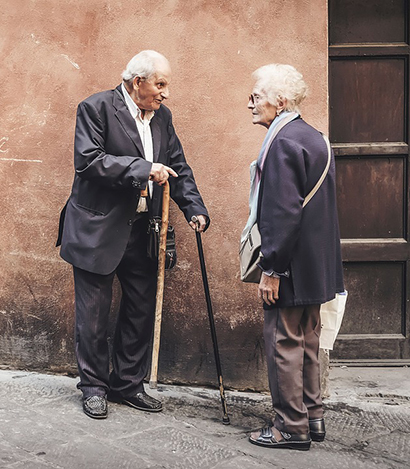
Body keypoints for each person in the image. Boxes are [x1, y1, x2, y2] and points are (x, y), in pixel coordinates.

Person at [56, 50, 210, 420]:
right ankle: (94, 387)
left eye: (166, 85)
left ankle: (127, 383)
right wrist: (143, 168)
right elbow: (89, 161)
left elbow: (177, 166)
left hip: (143, 230)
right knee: (92, 316)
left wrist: (195, 208)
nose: (165, 93)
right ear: (137, 81)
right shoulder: (95, 108)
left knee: (140, 310)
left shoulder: (163, 118)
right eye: (160, 84)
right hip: (97, 229)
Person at [243, 64, 344, 450]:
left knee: (284, 342)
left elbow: (283, 213)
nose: (250, 103)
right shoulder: (315, 137)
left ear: (280, 101)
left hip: (290, 266)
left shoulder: (282, 141)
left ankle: (290, 427)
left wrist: (272, 269)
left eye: (257, 96)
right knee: (308, 340)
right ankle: (313, 417)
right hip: (315, 265)